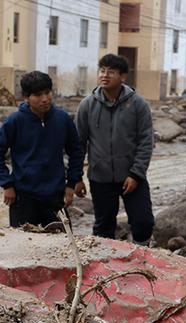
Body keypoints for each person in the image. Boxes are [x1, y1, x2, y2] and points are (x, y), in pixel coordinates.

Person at [0, 71, 85, 229]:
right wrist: (7, 184)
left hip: (55, 196)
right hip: (23, 198)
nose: (45, 99)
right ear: (26, 97)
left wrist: (71, 184)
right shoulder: (15, 121)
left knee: (62, 245)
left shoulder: (62, 119)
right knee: (23, 246)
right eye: (38, 95)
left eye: (47, 93)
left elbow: (76, 152)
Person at [75, 53, 155, 244]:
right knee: (103, 227)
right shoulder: (87, 105)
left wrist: (136, 174)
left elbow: (146, 142)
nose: (105, 75)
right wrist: (76, 177)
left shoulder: (138, 105)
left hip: (132, 177)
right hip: (100, 177)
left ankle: (142, 259)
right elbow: (78, 143)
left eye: (111, 72)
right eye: (102, 71)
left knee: (143, 222)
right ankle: (106, 267)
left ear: (123, 77)